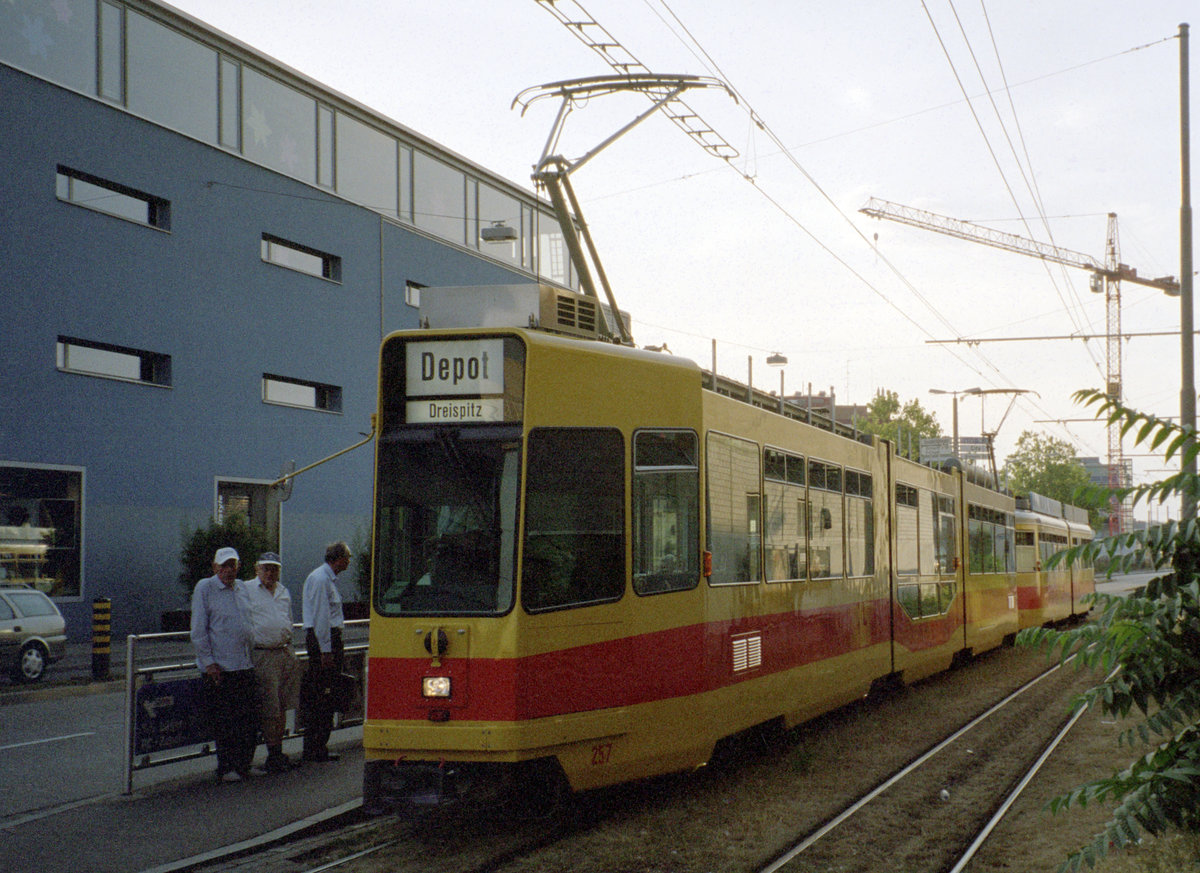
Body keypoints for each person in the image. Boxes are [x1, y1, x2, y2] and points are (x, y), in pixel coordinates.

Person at [190, 546, 257, 782]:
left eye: (233, 565)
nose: (229, 570)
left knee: (248, 720)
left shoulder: (242, 588)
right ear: (215, 567)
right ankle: (226, 767)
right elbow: (198, 630)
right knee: (225, 722)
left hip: (244, 664)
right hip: (221, 668)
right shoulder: (205, 588)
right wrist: (209, 663)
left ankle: (243, 765)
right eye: (224, 566)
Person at [238, 551, 301, 773]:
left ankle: (278, 751)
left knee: (283, 706)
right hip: (263, 654)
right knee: (269, 707)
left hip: (284, 651)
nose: (270, 572)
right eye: (265, 568)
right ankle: (272, 754)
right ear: (257, 569)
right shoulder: (245, 589)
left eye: (274, 568)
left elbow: (288, 618)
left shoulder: (283, 591)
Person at [300, 541, 350, 762]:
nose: (349, 562)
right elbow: (321, 617)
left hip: (326, 640)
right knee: (322, 694)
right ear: (337, 558)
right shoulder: (321, 580)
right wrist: (326, 650)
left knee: (326, 694)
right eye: (347, 557)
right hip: (324, 641)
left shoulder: (325, 579)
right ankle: (315, 746)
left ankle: (319, 744)